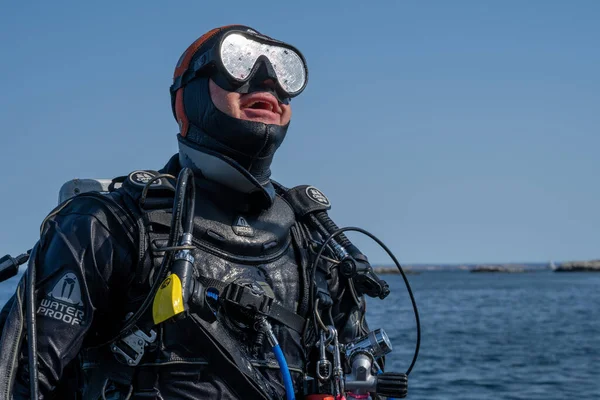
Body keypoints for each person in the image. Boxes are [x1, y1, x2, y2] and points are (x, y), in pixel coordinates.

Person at [0, 25, 386, 399]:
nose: (268, 81)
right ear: (189, 96)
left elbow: (357, 379)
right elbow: (17, 380)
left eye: (285, 72)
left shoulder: (316, 246)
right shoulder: (107, 225)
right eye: (238, 63)